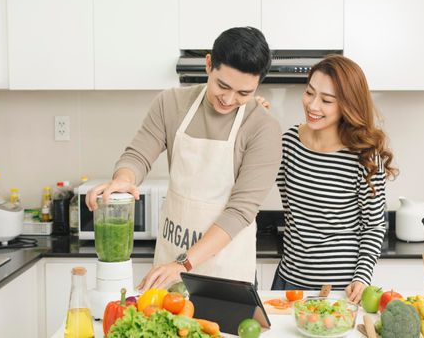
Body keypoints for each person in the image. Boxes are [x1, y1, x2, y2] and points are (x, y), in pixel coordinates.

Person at [86, 27, 282, 291]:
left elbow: (241, 211)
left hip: (225, 272)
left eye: (243, 93)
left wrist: (184, 265)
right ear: (209, 64)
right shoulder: (171, 103)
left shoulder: (263, 127)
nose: (228, 99)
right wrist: (124, 179)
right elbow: (138, 154)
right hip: (169, 261)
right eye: (222, 85)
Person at [272, 54, 398, 304]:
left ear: (347, 106)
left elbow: (374, 226)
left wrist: (362, 278)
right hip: (289, 282)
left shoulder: (364, 156)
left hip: (341, 290)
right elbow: (289, 209)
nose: (313, 105)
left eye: (326, 100)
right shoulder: (289, 143)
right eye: (309, 92)